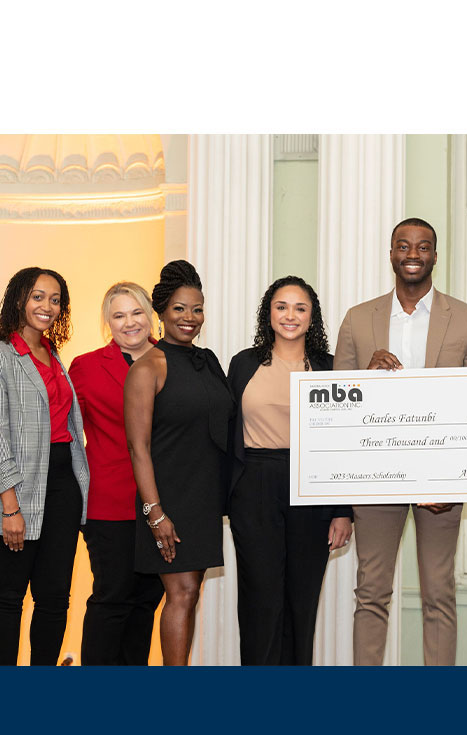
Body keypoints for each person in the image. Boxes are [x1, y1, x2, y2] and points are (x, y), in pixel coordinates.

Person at [333, 217, 467, 666]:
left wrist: (455, 480)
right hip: (376, 475)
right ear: (390, 254)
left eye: (423, 247)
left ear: (435, 257)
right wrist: (365, 377)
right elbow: (334, 408)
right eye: (403, 246)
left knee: (438, 593)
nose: (412, 254)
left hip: (440, 482)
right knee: (371, 592)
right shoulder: (357, 318)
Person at [227, 276, 353, 665]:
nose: (290, 315)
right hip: (255, 486)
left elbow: (343, 444)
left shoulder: (331, 368)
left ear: (312, 316)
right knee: (260, 597)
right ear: (269, 313)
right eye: (281, 306)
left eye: (300, 308)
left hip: (313, 486)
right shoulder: (243, 363)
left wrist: (343, 510)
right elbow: (225, 432)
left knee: (302, 598)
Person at [0, 267, 89, 665]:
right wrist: (10, 506)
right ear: (19, 299)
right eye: (39, 297)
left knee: (55, 598)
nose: (48, 306)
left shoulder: (54, 356)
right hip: (16, 491)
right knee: (7, 597)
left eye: (55, 300)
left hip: (62, 487)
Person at [125, 260, 235, 666]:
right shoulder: (147, 368)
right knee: (182, 593)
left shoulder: (208, 361)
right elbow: (138, 448)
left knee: (191, 593)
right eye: (179, 309)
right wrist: (155, 514)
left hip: (203, 498)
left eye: (197, 309)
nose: (190, 318)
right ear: (161, 312)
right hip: (168, 499)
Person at [69, 282, 164, 665]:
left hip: (164, 503)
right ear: (108, 323)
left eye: (137, 312)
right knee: (113, 598)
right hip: (110, 502)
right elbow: (60, 425)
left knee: (146, 602)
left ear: (150, 314)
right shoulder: (87, 367)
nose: (130, 323)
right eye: (119, 315)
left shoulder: (176, 359)